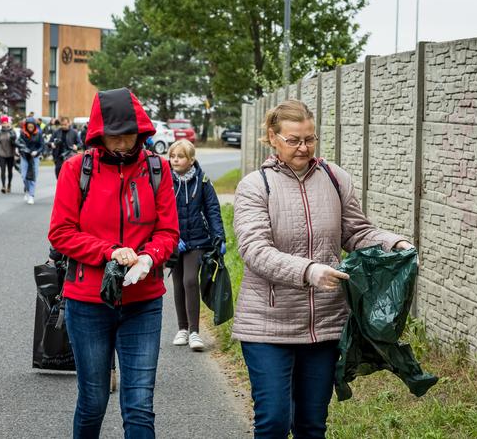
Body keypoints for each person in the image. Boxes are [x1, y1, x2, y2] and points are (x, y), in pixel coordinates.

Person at [232, 99, 414, 438]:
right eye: (294, 140)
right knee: (272, 421)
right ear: (273, 138)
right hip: (268, 325)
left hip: (325, 325)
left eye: (310, 139)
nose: (304, 147)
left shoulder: (334, 178)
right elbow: (254, 250)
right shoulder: (256, 186)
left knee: (312, 425)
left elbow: (356, 233)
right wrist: (308, 271)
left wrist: (394, 243)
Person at [48, 87, 178, 439]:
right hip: (88, 302)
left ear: (142, 130)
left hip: (144, 302)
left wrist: (149, 256)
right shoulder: (77, 169)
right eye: (114, 137)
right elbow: (60, 233)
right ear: (99, 134)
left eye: (129, 135)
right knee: (93, 401)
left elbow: (168, 230)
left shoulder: (158, 168)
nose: (122, 144)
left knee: (139, 406)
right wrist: (110, 251)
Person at [168, 139, 225, 351]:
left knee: (190, 281)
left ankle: (194, 332)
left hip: (198, 241)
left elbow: (212, 210)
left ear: (191, 160)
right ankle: (182, 328)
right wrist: (172, 237)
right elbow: (160, 211)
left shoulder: (203, 181)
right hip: (174, 242)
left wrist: (219, 238)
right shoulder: (165, 180)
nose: (175, 160)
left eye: (180, 156)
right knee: (177, 283)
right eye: (173, 156)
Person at [17, 117, 45, 204]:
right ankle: (28, 190)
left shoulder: (39, 133)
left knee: (33, 177)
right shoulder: (22, 133)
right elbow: (18, 142)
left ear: (34, 126)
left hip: (34, 157)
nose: (30, 128)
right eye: (28, 127)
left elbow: (42, 146)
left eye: (31, 127)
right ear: (26, 126)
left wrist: (37, 151)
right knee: (24, 176)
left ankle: (31, 195)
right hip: (25, 156)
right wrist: (22, 149)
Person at [0, 116, 17, 193]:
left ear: (8, 123)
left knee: (10, 171)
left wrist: (15, 154)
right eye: (3, 123)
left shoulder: (12, 132)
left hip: (10, 154)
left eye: (5, 122)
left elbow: (15, 143)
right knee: (2, 171)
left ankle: (9, 185)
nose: (4, 124)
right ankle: (3, 186)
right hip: (1, 154)